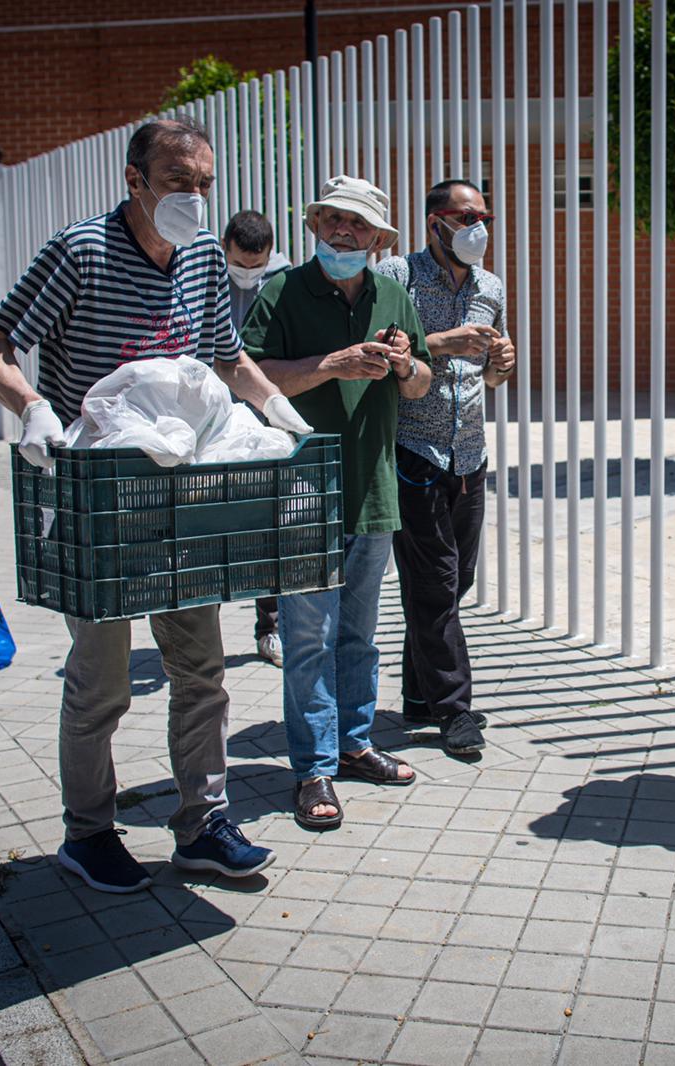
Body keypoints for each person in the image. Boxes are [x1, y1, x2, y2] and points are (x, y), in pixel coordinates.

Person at [0, 118, 313, 892]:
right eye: (176, 179)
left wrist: (275, 412)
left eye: (203, 183)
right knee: (102, 682)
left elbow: (226, 358)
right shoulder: (79, 250)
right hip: (98, 502)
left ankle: (203, 826)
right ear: (135, 180)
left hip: (177, 503)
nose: (192, 195)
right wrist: (29, 406)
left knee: (201, 670)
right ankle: (87, 833)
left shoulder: (200, 258)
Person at [241, 176, 433, 831]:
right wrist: (332, 363)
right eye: (332, 220)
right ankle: (313, 769)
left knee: (359, 637)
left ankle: (354, 746)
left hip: (374, 493)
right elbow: (249, 381)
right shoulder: (282, 291)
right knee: (307, 640)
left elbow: (422, 387)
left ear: (379, 239)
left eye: (357, 225)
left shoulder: (393, 296)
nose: (343, 232)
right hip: (300, 493)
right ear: (316, 226)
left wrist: (406, 366)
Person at [374, 179, 514, 759]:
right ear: (435, 222)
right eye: (465, 216)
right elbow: (380, 356)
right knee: (434, 585)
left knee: (457, 583)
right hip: (414, 453)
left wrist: (503, 363)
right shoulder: (396, 278)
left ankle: (416, 693)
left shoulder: (490, 285)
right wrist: (442, 341)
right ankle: (455, 711)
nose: (477, 227)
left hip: (470, 455)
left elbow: (492, 375)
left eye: (485, 215)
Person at [223, 209, 294, 667]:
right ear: (225, 248)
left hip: (266, 416)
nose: (248, 274)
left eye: (257, 266)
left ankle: (270, 626)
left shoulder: (285, 281)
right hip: (216, 417)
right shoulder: (205, 275)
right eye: (239, 264)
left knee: (271, 526)